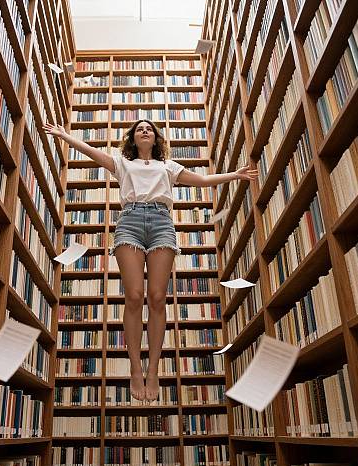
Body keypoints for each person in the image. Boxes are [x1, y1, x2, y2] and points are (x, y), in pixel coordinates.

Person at [44, 119, 258, 402]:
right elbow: (92, 152)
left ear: (157, 138)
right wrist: (65, 136)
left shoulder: (168, 167)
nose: (144, 130)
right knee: (134, 296)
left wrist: (235, 175)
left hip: (161, 224)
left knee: (157, 297)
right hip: (130, 221)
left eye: (150, 129)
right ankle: (135, 366)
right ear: (133, 138)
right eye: (139, 129)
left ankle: (153, 368)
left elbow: (204, 180)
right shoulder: (122, 163)